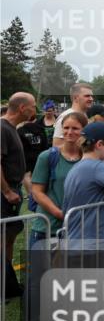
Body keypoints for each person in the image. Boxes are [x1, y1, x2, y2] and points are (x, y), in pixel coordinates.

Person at [26, 110, 86, 321]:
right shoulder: (47, 157)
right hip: (47, 228)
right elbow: (37, 191)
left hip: (75, 231)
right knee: (38, 280)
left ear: (83, 131)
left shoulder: (88, 159)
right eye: (66, 128)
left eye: (75, 129)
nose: (70, 133)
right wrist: (58, 212)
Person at [1, 92, 36, 299]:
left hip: (11, 190)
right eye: (33, 106)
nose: (36, 109)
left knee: (8, 239)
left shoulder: (11, 128)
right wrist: (6, 191)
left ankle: (8, 284)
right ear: (22, 108)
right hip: (5, 193)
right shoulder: (2, 128)